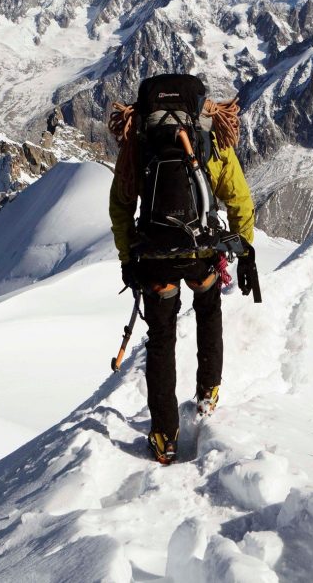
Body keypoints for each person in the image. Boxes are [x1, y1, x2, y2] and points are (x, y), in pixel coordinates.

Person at [108, 74, 256, 465]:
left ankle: (163, 435)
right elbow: (238, 197)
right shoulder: (208, 133)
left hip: (155, 254)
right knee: (208, 311)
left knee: (161, 338)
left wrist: (127, 259)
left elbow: (121, 206)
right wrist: (246, 248)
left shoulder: (139, 138)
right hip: (200, 251)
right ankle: (208, 392)